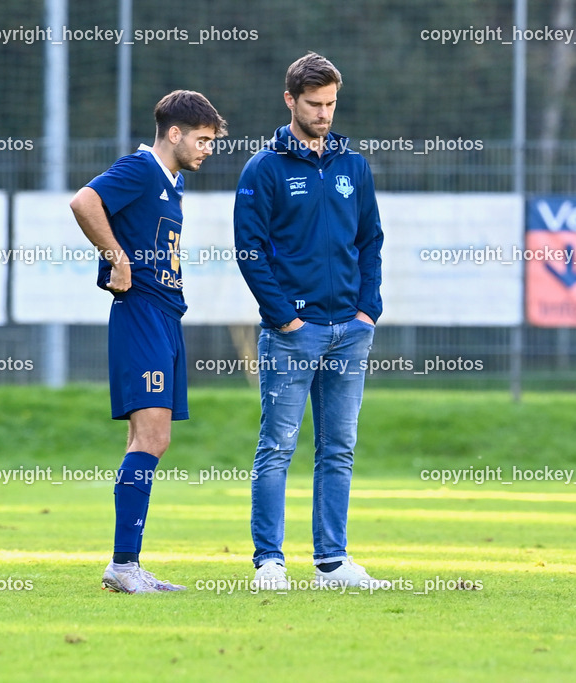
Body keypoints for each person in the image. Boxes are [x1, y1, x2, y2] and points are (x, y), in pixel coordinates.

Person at [233, 53, 387, 591]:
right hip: (291, 333)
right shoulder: (264, 168)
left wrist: (368, 310)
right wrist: (284, 319)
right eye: (314, 104)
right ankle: (269, 562)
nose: (324, 114)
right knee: (277, 446)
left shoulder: (355, 166)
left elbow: (370, 241)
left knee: (338, 448)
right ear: (290, 101)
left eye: (331, 104)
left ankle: (332, 563)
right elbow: (249, 250)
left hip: (350, 328)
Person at [69, 90, 227, 593]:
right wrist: (116, 256)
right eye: (202, 140)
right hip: (142, 315)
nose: (207, 149)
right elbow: (84, 201)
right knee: (153, 439)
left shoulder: (172, 183)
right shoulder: (141, 169)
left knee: (146, 440)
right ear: (174, 134)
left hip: (164, 316)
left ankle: (127, 565)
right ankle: (122, 565)